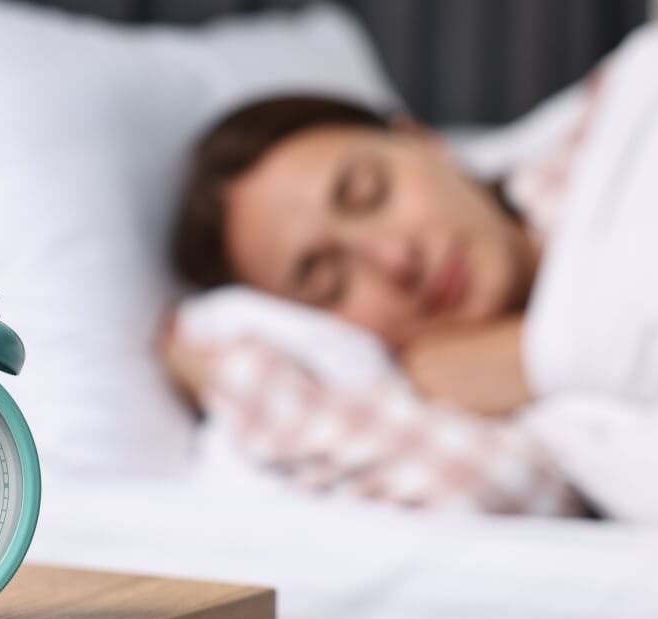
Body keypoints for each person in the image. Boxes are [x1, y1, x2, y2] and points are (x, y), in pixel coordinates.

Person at [165, 95, 547, 416]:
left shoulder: (593, 155)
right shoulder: (423, 408)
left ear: (424, 141)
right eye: (329, 281)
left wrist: (537, 361)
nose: (395, 258)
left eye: (370, 193)